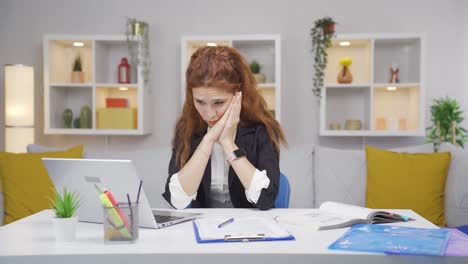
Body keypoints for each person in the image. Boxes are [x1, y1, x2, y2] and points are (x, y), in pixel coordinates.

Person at [162, 46, 287, 210]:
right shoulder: (187, 128)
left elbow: (266, 199)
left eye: (218, 103)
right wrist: (208, 141)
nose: (209, 114)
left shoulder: (262, 128)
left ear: (238, 95)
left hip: (251, 228)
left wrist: (228, 143)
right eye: (200, 102)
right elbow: (176, 200)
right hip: (204, 227)